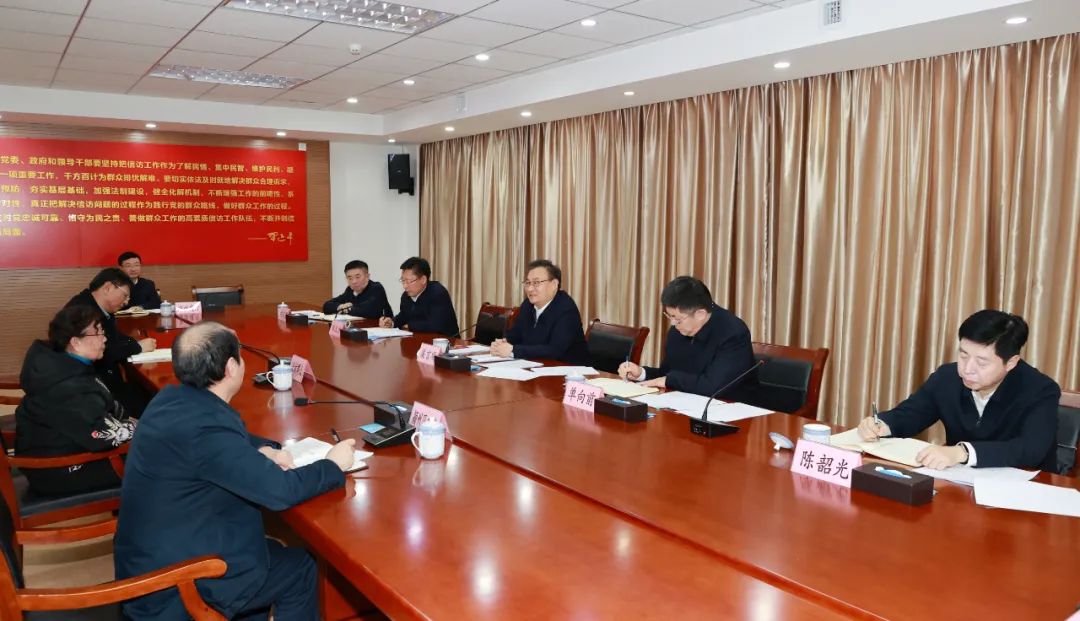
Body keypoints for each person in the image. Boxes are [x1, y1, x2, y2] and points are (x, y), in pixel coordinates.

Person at [115, 321, 356, 621]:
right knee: (300, 569)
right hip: (175, 586)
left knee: (269, 554)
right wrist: (333, 465)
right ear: (231, 367)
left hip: (155, 556)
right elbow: (280, 491)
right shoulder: (207, 427)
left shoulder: (170, 399)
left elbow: (221, 442)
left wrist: (264, 448)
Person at [856, 310, 1060, 470]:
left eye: (981, 362)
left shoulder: (1040, 390)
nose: (967, 369)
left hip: (1024, 491)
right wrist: (882, 424)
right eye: (963, 356)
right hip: (959, 484)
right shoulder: (947, 378)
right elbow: (912, 414)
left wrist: (962, 453)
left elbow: (1031, 449)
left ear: (1011, 362)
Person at [14, 306, 136, 497]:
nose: (104, 338)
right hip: (56, 469)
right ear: (76, 343)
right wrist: (141, 427)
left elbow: (103, 408)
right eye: (97, 332)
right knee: (161, 459)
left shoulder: (64, 364)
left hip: (62, 449)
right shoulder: (68, 388)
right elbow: (103, 436)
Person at [618, 276, 756, 397]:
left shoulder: (733, 333)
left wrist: (668, 380)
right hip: (685, 405)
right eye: (670, 316)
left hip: (732, 410)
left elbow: (714, 387)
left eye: (677, 319)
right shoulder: (679, 330)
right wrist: (641, 373)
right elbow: (668, 374)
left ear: (700, 314)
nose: (673, 323)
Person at [64, 268, 156, 415]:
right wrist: (137, 347)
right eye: (125, 295)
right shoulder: (83, 312)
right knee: (152, 404)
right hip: (94, 389)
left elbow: (114, 336)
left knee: (149, 395)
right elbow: (104, 352)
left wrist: (133, 342)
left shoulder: (99, 307)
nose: (127, 301)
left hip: (104, 380)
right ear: (108, 288)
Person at [490, 259, 589, 364]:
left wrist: (513, 350)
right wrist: (502, 343)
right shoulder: (528, 305)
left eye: (536, 283)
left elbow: (555, 350)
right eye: (528, 283)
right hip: (535, 366)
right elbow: (515, 334)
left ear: (554, 284)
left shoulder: (566, 309)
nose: (530, 289)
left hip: (568, 369)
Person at [379, 256, 459, 336]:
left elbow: (435, 325)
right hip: (419, 339)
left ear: (423, 279)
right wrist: (392, 322)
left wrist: (409, 326)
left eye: (409, 281)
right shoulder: (406, 296)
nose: (405, 286)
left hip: (447, 341)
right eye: (403, 281)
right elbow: (404, 315)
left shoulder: (438, 293)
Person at [321, 259, 393, 318]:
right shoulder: (350, 290)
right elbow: (326, 306)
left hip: (380, 328)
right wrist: (340, 306)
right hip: (358, 328)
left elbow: (366, 310)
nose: (354, 281)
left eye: (357, 277)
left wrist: (346, 309)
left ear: (367, 276)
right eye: (350, 278)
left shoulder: (376, 288)